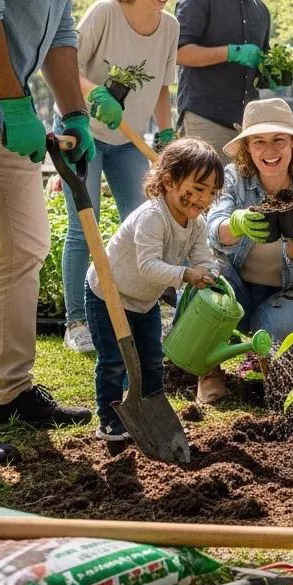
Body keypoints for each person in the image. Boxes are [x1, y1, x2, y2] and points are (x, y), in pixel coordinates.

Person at [0, 0, 154, 467]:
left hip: (9, 98)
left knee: (23, 247)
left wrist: (72, 110)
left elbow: (55, 32)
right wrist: (13, 103)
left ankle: (6, 392)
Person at [60, 0, 181, 355]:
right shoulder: (105, 13)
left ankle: (137, 310)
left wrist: (166, 136)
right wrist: (96, 94)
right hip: (86, 134)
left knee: (141, 223)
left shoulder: (169, 27)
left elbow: (163, 87)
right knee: (83, 227)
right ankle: (76, 321)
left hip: (132, 142)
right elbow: (67, 67)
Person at [88, 139, 222, 440]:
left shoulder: (196, 223)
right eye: (198, 188)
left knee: (151, 359)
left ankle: (152, 414)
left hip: (144, 302)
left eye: (211, 192)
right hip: (108, 295)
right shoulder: (153, 216)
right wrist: (187, 274)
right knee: (114, 362)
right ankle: (109, 420)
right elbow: (149, 265)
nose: (204, 199)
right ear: (169, 180)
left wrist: (211, 274)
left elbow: (204, 258)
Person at [206, 98, 293, 404]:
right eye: (259, 141)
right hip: (236, 287)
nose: (270, 150)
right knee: (204, 285)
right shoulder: (234, 180)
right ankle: (209, 371)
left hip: (285, 295)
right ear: (248, 148)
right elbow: (213, 228)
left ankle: (278, 371)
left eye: (279, 139)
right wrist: (236, 223)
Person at [175, 0, 272, 160]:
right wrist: (231, 52)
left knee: (241, 197)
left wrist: (271, 72)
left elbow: (260, 65)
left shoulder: (261, 11)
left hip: (246, 126)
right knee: (204, 194)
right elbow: (178, 53)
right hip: (204, 118)